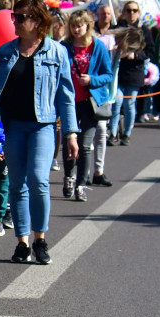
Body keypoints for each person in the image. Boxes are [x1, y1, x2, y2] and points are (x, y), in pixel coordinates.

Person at [0, 0, 78, 265]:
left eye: (20, 17)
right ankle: (22, 242)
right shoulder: (5, 52)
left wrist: (71, 132)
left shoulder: (56, 52)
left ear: (37, 22)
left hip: (43, 125)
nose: (14, 21)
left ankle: (40, 239)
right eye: (14, 16)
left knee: (38, 180)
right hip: (13, 127)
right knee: (17, 184)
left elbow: (66, 95)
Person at [61, 10, 112, 202]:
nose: (76, 29)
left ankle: (81, 184)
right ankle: (69, 177)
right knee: (68, 144)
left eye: (79, 25)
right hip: (68, 103)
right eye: (73, 26)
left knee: (84, 145)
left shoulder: (97, 47)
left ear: (87, 26)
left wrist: (92, 80)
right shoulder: (64, 47)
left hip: (90, 103)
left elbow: (108, 75)